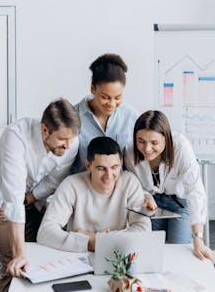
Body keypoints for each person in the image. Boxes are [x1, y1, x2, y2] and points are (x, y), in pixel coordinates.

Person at [0, 98, 81, 292]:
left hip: (34, 197)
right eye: (62, 140)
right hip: (3, 201)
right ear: (45, 130)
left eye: (71, 139)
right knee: (13, 263)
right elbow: (13, 198)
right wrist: (20, 253)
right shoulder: (15, 137)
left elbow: (53, 181)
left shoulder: (71, 142)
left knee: (40, 257)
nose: (68, 145)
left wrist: (31, 198)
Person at [125, 110, 214, 262]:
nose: (146, 149)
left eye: (154, 143)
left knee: (178, 252)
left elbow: (195, 191)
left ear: (166, 139)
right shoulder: (130, 151)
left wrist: (198, 238)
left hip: (180, 204)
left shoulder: (181, 147)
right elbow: (133, 182)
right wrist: (145, 195)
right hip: (152, 204)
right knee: (148, 250)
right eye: (141, 141)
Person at [37, 136, 151, 252]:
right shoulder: (71, 185)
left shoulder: (130, 183)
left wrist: (99, 239)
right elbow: (45, 232)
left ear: (121, 163)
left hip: (117, 254)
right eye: (101, 168)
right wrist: (90, 243)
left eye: (114, 167)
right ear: (88, 165)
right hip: (78, 256)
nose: (109, 175)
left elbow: (144, 229)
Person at [71, 53, 138, 173]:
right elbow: (62, 165)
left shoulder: (130, 116)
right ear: (93, 88)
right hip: (81, 186)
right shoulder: (73, 117)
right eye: (105, 97)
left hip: (119, 186)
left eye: (117, 97)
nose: (112, 104)